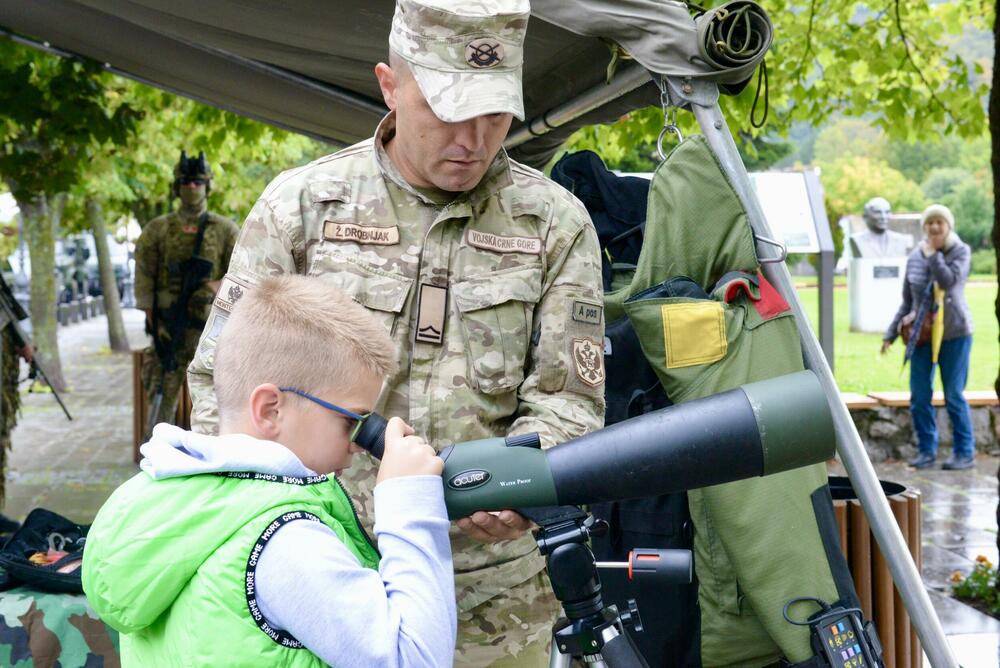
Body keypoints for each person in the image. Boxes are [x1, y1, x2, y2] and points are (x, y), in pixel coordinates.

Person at [187, 1, 606, 664]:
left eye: (494, 114)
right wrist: (270, 534)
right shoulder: (303, 206)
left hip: (492, 600)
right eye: (445, 111)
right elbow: (221, 383)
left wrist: (521, 485)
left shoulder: (554, 224)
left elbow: (570, 397)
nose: (471, 139)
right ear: (389, 85)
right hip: (319, 582)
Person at [83, 275, 456, 667]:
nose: (357, 443)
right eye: (352, 421)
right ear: (270, 409)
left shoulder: (170, 494)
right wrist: (410, 504)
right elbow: (415, 659)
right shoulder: (287, 542)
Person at [134, 151, 239, 434]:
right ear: (176, 187)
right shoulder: (158, 230)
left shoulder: (226, 230)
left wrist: (210, 287)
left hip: (210, 332)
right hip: (168, 330)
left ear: (208, 185)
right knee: (160, 396)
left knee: (214, 402)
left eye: (197, 182)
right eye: (186, 182)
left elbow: (242, 278)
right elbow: (144, 278)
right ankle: (155, 454)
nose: (192, 187)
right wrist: (155, 323)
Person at [881, 204, 975, 470]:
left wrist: (933, 255)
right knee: (919, 396)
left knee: (954, 395)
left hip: (955, 334)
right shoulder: (914, 257)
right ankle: (926, 450)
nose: (934, 226)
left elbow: (948, 282)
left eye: (940, 222)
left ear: (948, 226)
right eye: (930, 222)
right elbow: (907, 302)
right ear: (924, 226)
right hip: (920, 335)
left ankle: (965, 452)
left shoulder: (961, 252)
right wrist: (890, 334)